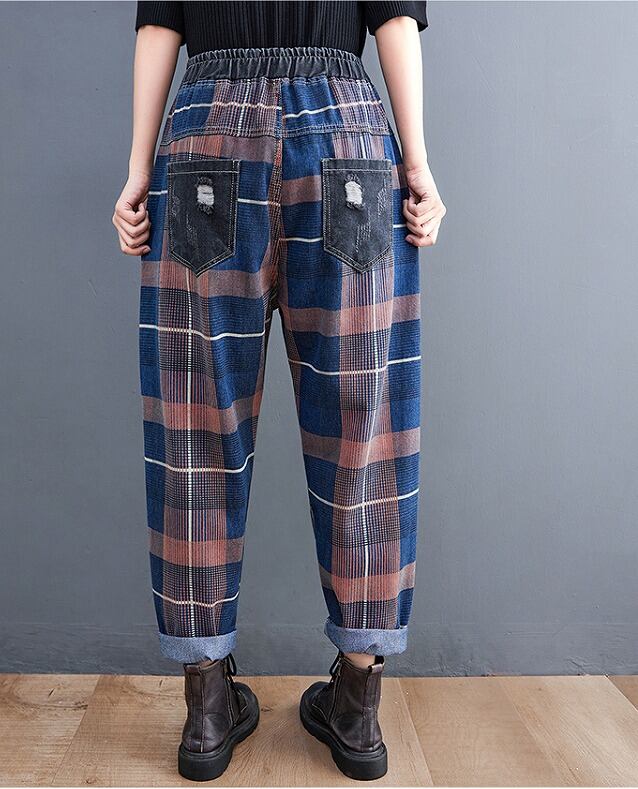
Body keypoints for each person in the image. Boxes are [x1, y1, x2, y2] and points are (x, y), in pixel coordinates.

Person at [113, 1, 445, 781]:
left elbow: (159, 26)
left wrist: (138, 170)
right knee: (364, 418)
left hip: (205, 135)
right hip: (345, 134)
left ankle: (205, 707)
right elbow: (394, 19)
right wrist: (418, 164)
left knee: (197, 420)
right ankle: (358, 703)